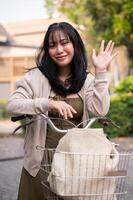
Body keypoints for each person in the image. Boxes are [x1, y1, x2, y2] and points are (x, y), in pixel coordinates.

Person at [7, 22, 117, 200]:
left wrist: (101, 72)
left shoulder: (86, 79)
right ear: (47, 50)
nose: (59, 49)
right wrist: (47, 104)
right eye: (52, 45)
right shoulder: (35, 77)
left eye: (64, 42)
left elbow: (100, 110)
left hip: (74, 162)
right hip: (41, 163)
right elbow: (12, 105)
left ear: (74, 44)